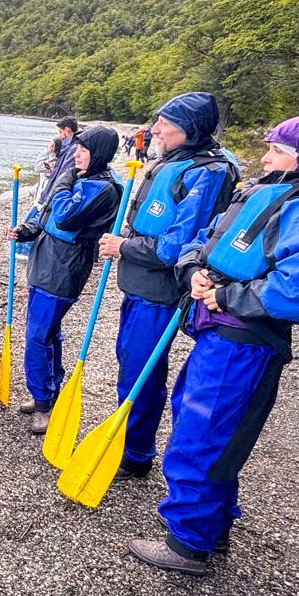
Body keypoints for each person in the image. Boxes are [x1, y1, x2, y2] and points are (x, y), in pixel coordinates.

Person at [128, 115, 299, 576]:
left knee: (204, 432)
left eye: (278, 151)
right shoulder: (271, 189)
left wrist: (226, 294)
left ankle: (188, 543)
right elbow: (204, 238)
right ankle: (214, 524)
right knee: (205, 423)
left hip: (243, 339)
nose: (265, 157)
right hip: (219, 328)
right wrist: (194, 272)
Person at [97, 92, 238, 481]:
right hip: (140, 285)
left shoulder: (207, 172)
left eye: (164, 124)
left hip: (160, 292)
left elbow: (176, 245)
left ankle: (135, 453)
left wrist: (124, 245)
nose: (155, 129)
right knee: (129, 362)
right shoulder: (177, 160)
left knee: (141, 368)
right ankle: (131, 443)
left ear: (188, 130)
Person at [7, 126, 122, 434]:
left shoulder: (103, 189)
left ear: (97, 153)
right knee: (47, 333)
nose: (77, 156)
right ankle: (48, 391)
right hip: (45, 262)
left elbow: (66, 216)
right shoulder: (83, 179)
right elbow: (48, 217)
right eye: (76, 150)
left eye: (83, 151)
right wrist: (28, 230)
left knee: (37, 336)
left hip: (64, 269)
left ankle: (43, 402)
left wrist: (65, 178)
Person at [20, 118, 79, 260]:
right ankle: (27, 252)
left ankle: (25, 254)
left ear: (67, 130)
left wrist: (48, 152)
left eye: (60, 131)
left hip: (46, 199)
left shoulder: (66, 153)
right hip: (46, 196)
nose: (60, 135)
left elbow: (42, 169)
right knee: (35, 225)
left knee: (33, 225)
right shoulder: (69, 150)